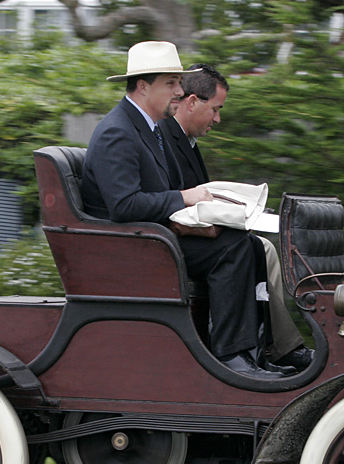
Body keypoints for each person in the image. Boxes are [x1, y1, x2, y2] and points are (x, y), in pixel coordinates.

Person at [81, 41, 285, 379]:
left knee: (246, 243)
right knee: (232, 249)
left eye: (179, 82)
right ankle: (230, 357)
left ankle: (253, 353)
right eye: (171, 83)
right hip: (129, 248)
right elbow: (124, 205)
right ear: (143, 86)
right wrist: (186, 200)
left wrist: (200, 213)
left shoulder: (147, 130)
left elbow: (158, 194)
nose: (179, 91)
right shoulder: (118, 133)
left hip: (153, 236)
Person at [162, 64, 315, 370]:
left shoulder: (184, 142)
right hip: (170, 238)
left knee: (263, 248)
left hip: (184, 232)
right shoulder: (165, 139)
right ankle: (261, 349)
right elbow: (171, 202)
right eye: (215, 109)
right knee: (252, 248)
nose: (218, 119)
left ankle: (267, 345)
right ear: (192, 102)